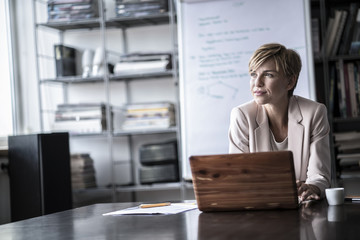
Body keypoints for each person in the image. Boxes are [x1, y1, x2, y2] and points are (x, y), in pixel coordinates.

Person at [228, 43, 331, 202]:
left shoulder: (314, 113)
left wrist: (312, 187)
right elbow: (238, 178)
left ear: (289, 82)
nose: (257, 83)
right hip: (259, 208)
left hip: (302, 207)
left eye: (268, 75)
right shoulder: (242, 116)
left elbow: (320, 174)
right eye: (254, 74)